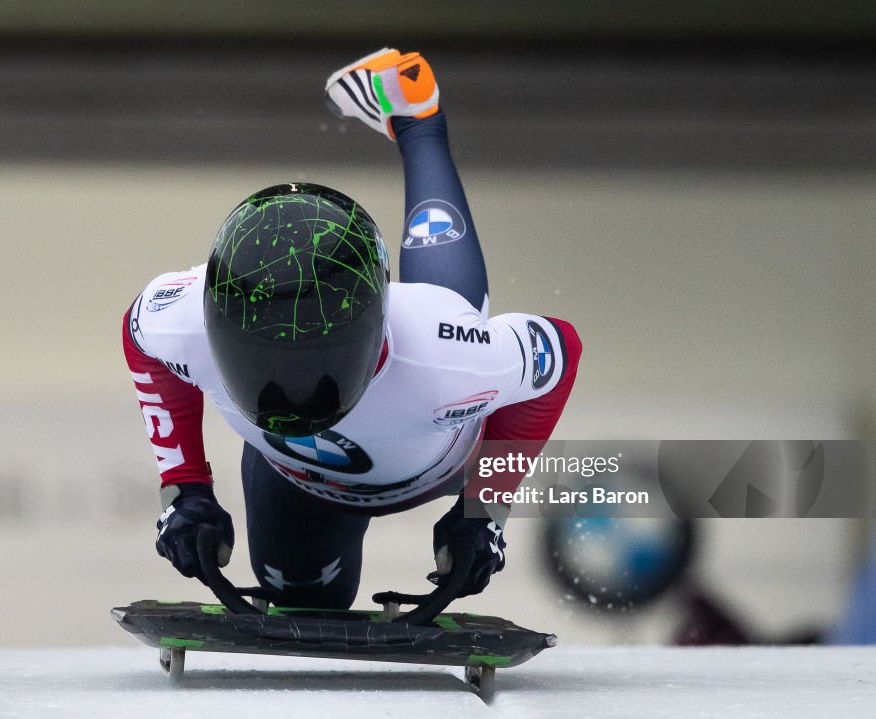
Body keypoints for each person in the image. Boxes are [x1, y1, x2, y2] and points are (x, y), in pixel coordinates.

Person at [122, 48, 582, 609]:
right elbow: (140, 338)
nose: (294, 386)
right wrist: (185, 487)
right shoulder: (179, 319)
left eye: (315, 353)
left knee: (451, 314)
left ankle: (419, 122)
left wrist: (484, 506)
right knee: (305, 603)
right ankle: (417, 123)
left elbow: (559, 352)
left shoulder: (446, 355)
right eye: (265, 351)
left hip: (428, 437)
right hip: (296, 478)